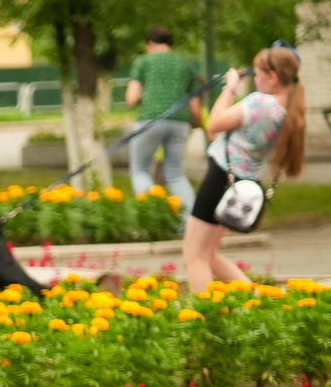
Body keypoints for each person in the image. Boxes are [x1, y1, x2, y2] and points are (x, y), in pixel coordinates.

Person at [185, 45, 305, 290]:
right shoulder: (286, 110)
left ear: (272, 78)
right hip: (240, 182)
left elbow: (214, 125)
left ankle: (202, 317)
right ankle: (257, 302)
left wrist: (230, 88)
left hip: (222, 178)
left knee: (194, 256)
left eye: (258, 74)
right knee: (208, 255)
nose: (255, 79)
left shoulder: (261, 103)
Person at [119, 28, 199, 207]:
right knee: (176, 174)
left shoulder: (143, 61)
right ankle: (190, 221)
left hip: (150, 120)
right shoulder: (185, 64)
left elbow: (131, 98)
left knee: (139, 170)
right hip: (180, 122)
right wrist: (199, 125)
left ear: (150, 44)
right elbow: (195, 106)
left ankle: (153, 215)